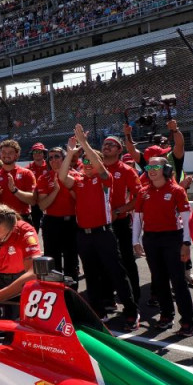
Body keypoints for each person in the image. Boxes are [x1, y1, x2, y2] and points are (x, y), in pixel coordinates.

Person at [59, 124, 139, 330]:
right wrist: (70, 154)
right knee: (92, 275)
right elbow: (61, 177)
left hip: (104, 234)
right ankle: (98, 311)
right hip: (84, 236)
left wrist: (84, 144)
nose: (86, 164)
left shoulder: (105, 180)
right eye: (83, 161)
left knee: (116, 273)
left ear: (98, 164)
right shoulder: (78, 181)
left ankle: (131, 311)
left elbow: (100, 168)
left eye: (89, 161)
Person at [133, 157, 193, 336]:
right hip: (151, 239)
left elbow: (185, 219)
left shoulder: (177, 190)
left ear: (166, 169)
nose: (151, 170)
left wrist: (186, 243)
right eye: (149, 166)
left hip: (173, 239)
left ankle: (188, 320)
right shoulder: (144, 192)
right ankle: (166, 316)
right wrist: (135, 241)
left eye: (156, 166)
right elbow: (137, 218)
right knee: (159, 281)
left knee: (178, 282)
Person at [101, 135, 142, 303]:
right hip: (100, 224)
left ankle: (134, 298)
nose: (106, 146)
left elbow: (139, 196)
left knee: (127, 261)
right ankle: (108, 298)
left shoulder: (126, 170)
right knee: (104, 262)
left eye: (111, 145)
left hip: (120, 223)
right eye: (104, 144)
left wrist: (121, 210)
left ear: (119, 150)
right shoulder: (96, 167)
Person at [35, 146, 79, 289]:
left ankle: (73, 294)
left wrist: (66, 183)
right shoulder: (44, 177)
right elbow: (42, 206)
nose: (53, 160)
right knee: (53, 261)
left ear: (65, 158)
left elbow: (79, 199)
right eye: (51, 157)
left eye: (57, 156)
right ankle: (55, 292)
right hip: (52, 222)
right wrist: (55, 191)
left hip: (72, 222)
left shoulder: (76, 175)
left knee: (71, 260)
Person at [0, 139, 36, 222]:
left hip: (22, 218)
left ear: (17, 154)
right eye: (3, 152)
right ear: (0, 154)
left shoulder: (27, 173)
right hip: (0, 219)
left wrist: (15, 190)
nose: (6, 155)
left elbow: (33, 201)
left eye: (10, 152)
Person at [27, 142, 48, 232]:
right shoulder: (28, 169)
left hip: (48, 200)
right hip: (34, 202)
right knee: (34, 226)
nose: (37, 154)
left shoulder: (50, 166)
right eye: (35, 152)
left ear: (44, 154)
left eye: (40, 151)